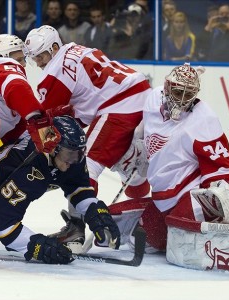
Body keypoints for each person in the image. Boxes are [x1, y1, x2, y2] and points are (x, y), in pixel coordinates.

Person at [97, 63, 229, 278]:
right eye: (178, 92)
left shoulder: (203, 118)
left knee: (180, 245)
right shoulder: (153, 99)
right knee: (141, 239)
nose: (182, 100)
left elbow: (222, 163)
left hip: (190, 195)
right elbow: (145, 130)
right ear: (166, 87)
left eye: (188, 94)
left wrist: (226, 190)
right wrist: (138, 148)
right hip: (163, 199)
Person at [24, 25, 151, 240]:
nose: (38, 62)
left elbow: (42, 122)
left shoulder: (54, 73)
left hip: (120, 106)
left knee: (83, 165)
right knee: (125, 161)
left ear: (54, 48)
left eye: (41, 56)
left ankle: (77, 227)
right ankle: (145, 212)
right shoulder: (77, 49)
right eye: (34, 58)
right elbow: (84, 102)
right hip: (139, 94)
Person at [0, 113, 120, 264]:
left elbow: (78, 187)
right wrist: (38, 246)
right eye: (70, 154)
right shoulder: (28, 170)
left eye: (79, 153)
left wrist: (93, 210)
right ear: (53, 148)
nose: (75, 160)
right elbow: (5, 226)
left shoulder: (68, 155)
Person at [0, 34, 61, 219]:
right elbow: (15, 86)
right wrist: (42, 123)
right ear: (2, 57)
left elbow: (20, 136)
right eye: (19, 59)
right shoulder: (0, 67)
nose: (22, 65)